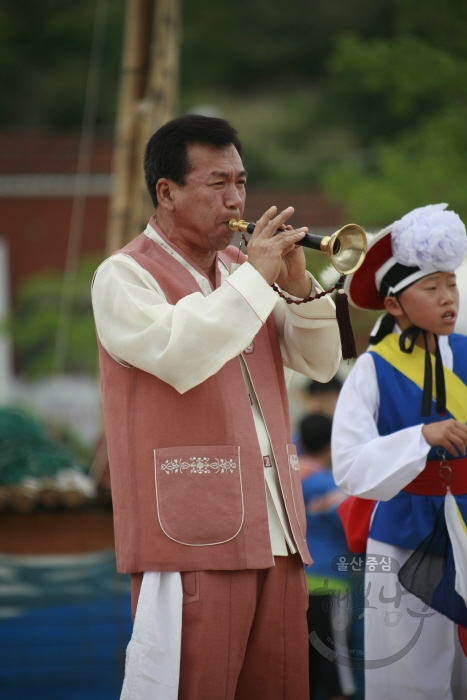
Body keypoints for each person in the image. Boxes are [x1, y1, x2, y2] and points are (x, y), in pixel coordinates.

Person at [91, 113, 341, 699]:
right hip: (191, 535)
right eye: (218, 183)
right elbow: (183, 354)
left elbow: (320, 362)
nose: (236, 199)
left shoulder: (239, 270)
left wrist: (300, 288)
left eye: (243, 182)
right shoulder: (123, 276)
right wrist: (257, 279)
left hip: (278, 530)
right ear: (167, 192)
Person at [331, 203, 467, 699]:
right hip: (405, 534)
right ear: (394, 305)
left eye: (451, 284)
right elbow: (346, 464)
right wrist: (420, 439)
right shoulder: (372, 369)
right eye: (431, 289)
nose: (448, 298)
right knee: (412, 674)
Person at [299, 413, 356, 700]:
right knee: (337, 667)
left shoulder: (288, 476)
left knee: (301, 669)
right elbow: (354, 525)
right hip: (329, 585)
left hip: (296, 583)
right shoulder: (326, 485)